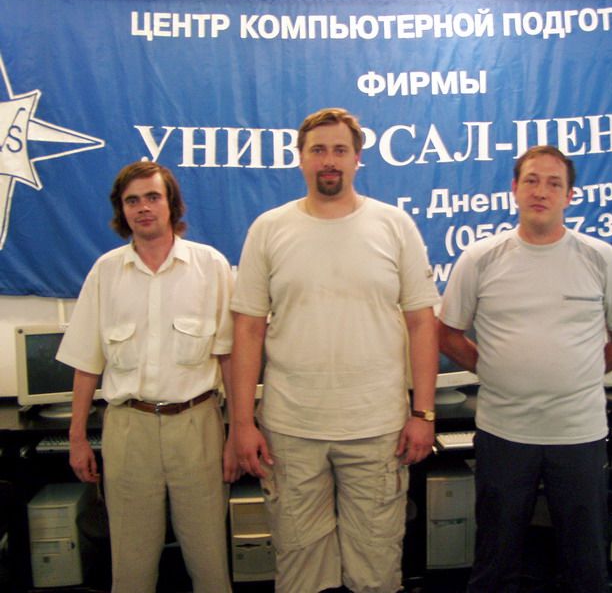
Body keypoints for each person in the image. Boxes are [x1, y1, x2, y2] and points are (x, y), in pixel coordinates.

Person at [230, 107, 440, 593]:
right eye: (318, 150)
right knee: (301, 571)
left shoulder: (394, 225)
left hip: (378, 429)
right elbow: (248, 331)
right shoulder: (269, 228)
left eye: (340, 150)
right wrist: (241, 423)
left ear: (357, 158)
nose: (329, 160)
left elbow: (421, 323)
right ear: (301, 158)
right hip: (290, 431)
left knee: (375, 570)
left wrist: (423, 414)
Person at [438, 145, 612, 592]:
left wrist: (578, 375)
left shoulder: (601, 258)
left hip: (578, 433)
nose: (541, 191)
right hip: (504, 432)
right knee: (495, 556)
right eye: (531, 180)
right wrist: (494, 370)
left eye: (554, 183)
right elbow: (447, 335)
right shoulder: (480, 258)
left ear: (569, 196)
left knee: (585, 561)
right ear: (514, 189)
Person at [56, 161, 239, 593]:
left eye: (153, 197)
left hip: (197, 427)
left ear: (171, 203)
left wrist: (237, 432)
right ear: (122, 210)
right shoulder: (105, 272)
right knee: (132, 568)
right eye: (132, 200)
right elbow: (86, 362)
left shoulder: (210, 266)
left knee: (210, 563)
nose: (143, 207)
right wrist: (77, 437)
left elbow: (230, 358)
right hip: (128, 430)